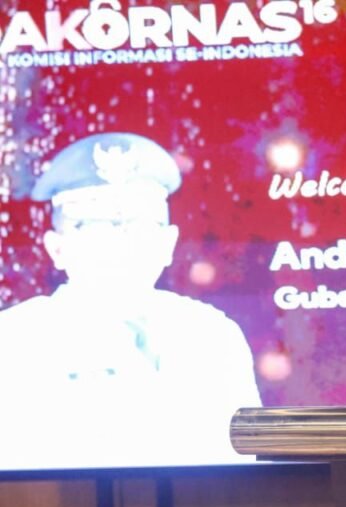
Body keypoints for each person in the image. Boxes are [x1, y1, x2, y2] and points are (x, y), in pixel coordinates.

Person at [0, 132, 261, 467]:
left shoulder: (212, 336)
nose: (119, 243)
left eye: (140, 225)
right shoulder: (14, 342)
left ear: (167, 244)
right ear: (57, 248)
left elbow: (246, 475)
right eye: (95, 226)